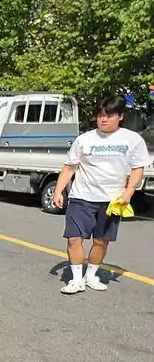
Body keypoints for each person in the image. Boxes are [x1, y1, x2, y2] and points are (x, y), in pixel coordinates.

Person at [53, 95, 151, 294]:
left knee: (100, 241)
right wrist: (58, 190)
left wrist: (129, 192)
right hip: (81, 197)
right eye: (100, 115)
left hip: (112, 200)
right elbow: (70, 167)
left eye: (109, 115)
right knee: (73, 238)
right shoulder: (84, 139)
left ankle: (91, 275)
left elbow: (138, 168)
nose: (103, 119)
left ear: (120, 116)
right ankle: (76, 280)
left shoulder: (132, 140)